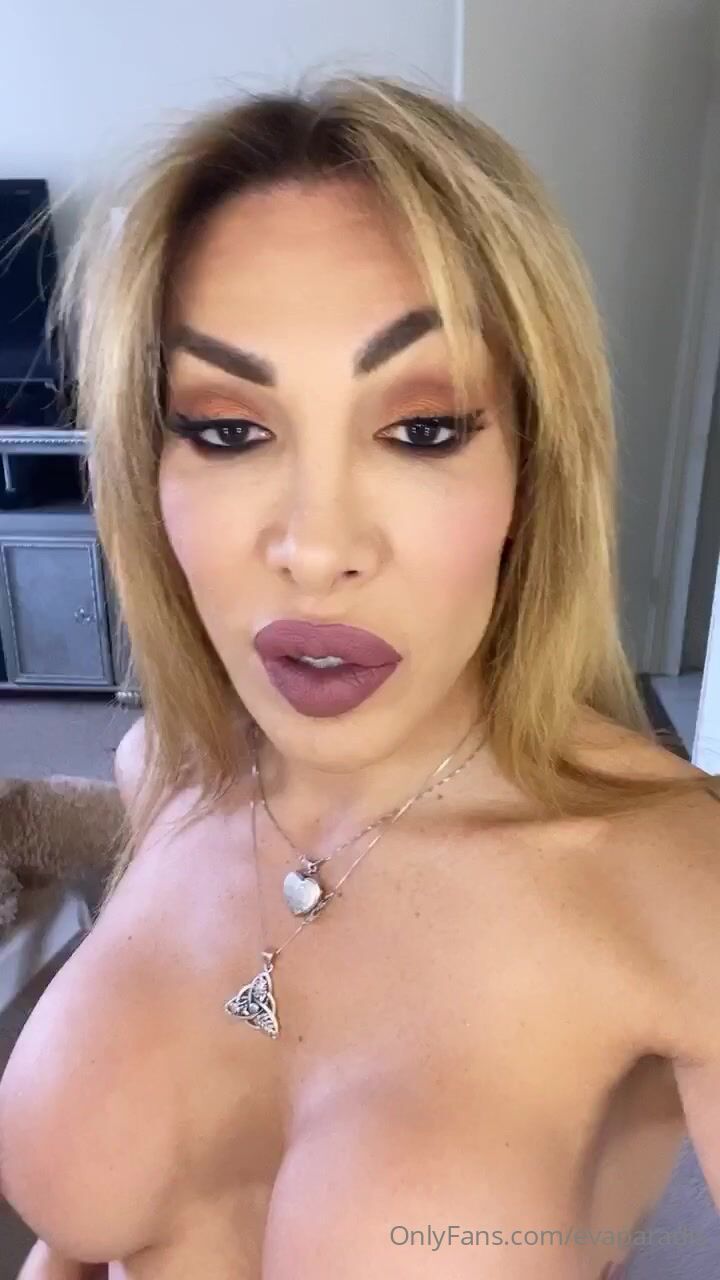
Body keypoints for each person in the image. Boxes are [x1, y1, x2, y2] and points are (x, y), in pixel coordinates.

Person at [1, 70, 718, 1280]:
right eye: (228, 429)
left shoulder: (676, 883)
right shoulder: (163, 771)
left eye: (422, 429)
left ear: (532, 468)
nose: (316, 548)